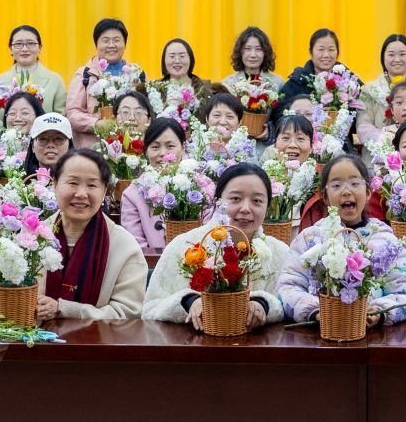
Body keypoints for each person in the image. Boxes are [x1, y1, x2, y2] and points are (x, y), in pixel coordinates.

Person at [142, 163, 290, 330]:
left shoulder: (281, 253)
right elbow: (150, 308)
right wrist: (189, 301)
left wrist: (264, 304)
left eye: (257, 201)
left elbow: (292, 305)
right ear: (217, 201)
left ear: (268, 206)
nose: (245, 208)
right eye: (236, 199)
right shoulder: (183, 246)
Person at [278, 154, 406, 328]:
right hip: (319, 333)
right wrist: (315, 311)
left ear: (368, 192)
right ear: (325, 196)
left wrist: (379, 312)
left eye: (354, 183)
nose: (346, 191)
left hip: (373, 336)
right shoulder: (309, 239)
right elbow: (288, 288)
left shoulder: (386, 241)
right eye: (336, 185)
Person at [38, 149, 146, 323]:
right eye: (73, 183)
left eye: (92, 185)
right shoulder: (32, 238)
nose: (81, 194)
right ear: (55, 185)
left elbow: (128, 314)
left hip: (99, 339)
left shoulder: (124, 246)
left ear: (104, 192)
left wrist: (65, 309)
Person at [66, 18, 143, 148]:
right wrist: (96, 124)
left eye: (117, 40)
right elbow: (72, 113)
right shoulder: (84, 74)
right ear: (96, 44)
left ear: (125, 44)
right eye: (105, 41)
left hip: (130, 148)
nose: (111, 45)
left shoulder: (137, 74)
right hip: (93, 148)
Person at [119, 117, 190, 253]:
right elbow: (136, 246)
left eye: (170, 146)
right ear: (146, 151)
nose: (163, 153)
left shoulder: (201, 187)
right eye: (155, 147)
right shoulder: (133, 194)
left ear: (183, 148)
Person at [0, 25, 67, 115]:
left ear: (40, 48)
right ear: (10, 49)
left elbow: (61, 116)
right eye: (18, 44)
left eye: (31, 43)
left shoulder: (55, 80)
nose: (25, 49)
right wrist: (8, 125)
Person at [357, 34, 406, 144]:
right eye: (391, 55)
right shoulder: (369, 90)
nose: (397, 59)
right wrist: (385, 138)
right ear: (383, 58)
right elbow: (363, 125)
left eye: (402, 54)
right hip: (379, 150)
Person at [147, 38, 208, 120]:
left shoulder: (205, 89)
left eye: (182, 56)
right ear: (164, 60)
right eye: (172, 56)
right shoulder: (153, 89)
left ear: (190, 59)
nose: (177, 61)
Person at [222, 26, 282, 107]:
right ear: (239, 52)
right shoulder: (227, 84)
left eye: (258, 49)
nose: (253, 55)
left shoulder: (277, 83)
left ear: (265, 52)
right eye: (247, 49)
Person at [281, 28, 343, 99]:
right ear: (310, 52)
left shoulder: (350, 82)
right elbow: (282, 105)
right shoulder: (296, 83)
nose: (326, 55)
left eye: (331, 49)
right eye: (321, 49)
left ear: (338, 53)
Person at [19, 113, 74, 182]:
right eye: (43, 139)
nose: (50, 145)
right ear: (32, 146)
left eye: (59, 139)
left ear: (69, 145)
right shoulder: (18, 181)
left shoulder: (81, 180)